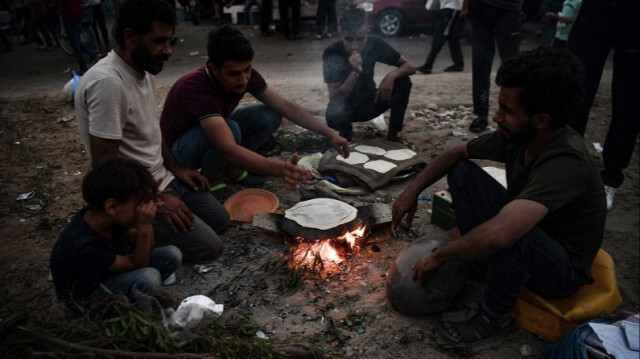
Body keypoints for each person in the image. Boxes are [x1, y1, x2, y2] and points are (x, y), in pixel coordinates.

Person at [392, 47, 606, 344]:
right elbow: (456, 152)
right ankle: (484, 263)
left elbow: (503, 233)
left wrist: (440, 255)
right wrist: (410, 192)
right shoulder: (521, 135)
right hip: (531, 231)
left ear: (541, 120)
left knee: (511, 234)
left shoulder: (566, 163)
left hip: (561, 267)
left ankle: (496, 315)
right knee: (462, 171)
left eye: (507, 111)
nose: (496, 116)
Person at [75, 0, 229, 264]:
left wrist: (177, 169)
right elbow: (105, 166)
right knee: (209, 248)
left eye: (170, 41)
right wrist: (155, 200)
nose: (167, 51)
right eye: (159, 41)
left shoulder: (143, 69)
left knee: (221, 219)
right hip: (135, 196)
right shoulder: (108, 83)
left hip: (163, 179)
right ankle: (129, 237)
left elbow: (152, 130)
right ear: (130, 36)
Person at [160, 26, 350, 201]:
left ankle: (231, 168)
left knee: (269, 115)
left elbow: (284, 105)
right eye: (234, 74)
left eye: (247, 70)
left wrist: (329, 133)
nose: (243, 79)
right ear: (213, 69)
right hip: (177, 154)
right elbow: (228, 147)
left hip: (211, 135)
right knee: (230, 129)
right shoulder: (194, 87)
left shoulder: (246, 74)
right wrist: (283, 169)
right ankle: (212, 177)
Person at [50, 158, 182, 314]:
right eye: (139, 203)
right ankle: (126, 311)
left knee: (170, 254)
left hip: (111, 275)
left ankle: (137, 299)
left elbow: (147, 248)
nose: (142, 208)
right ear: (112, 206)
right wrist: (144, 225)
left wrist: (145, 219)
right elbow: (139, 265)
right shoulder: (82, 244)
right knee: (148, 278)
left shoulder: (109, 217)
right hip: (88, 300)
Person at [567, 0, 640, 210]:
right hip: (596, 6)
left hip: (633, 14)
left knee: (629, 98)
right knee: (576, 84)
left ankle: (611, 177)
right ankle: (566, 160)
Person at [322, 8, 415, 142]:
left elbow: (410, 67)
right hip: (344, 110)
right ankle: (345, 134)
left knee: (404, 82)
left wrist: (391, 76)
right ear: (341, 33)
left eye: (360, 39)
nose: (355, 46)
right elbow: (335, 99)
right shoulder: (331, 52)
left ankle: (393, 139)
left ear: (367, 32)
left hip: (370, 102)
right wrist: (355, 72)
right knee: (335, 117)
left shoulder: (375, 43)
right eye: (349, 39)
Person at [463, 0, 521, 133]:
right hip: (483, 6)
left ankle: (511, 113)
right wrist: (466, 6)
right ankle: (481, 114)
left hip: (508, 8)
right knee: (480, 62)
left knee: (512, 68)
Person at [416, 0, 466, 74]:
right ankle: (459, 64)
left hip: (452, 9)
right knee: (452, 37)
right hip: (449, 8)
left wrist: (464, 9)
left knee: (439, 36)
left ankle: (428, 64)